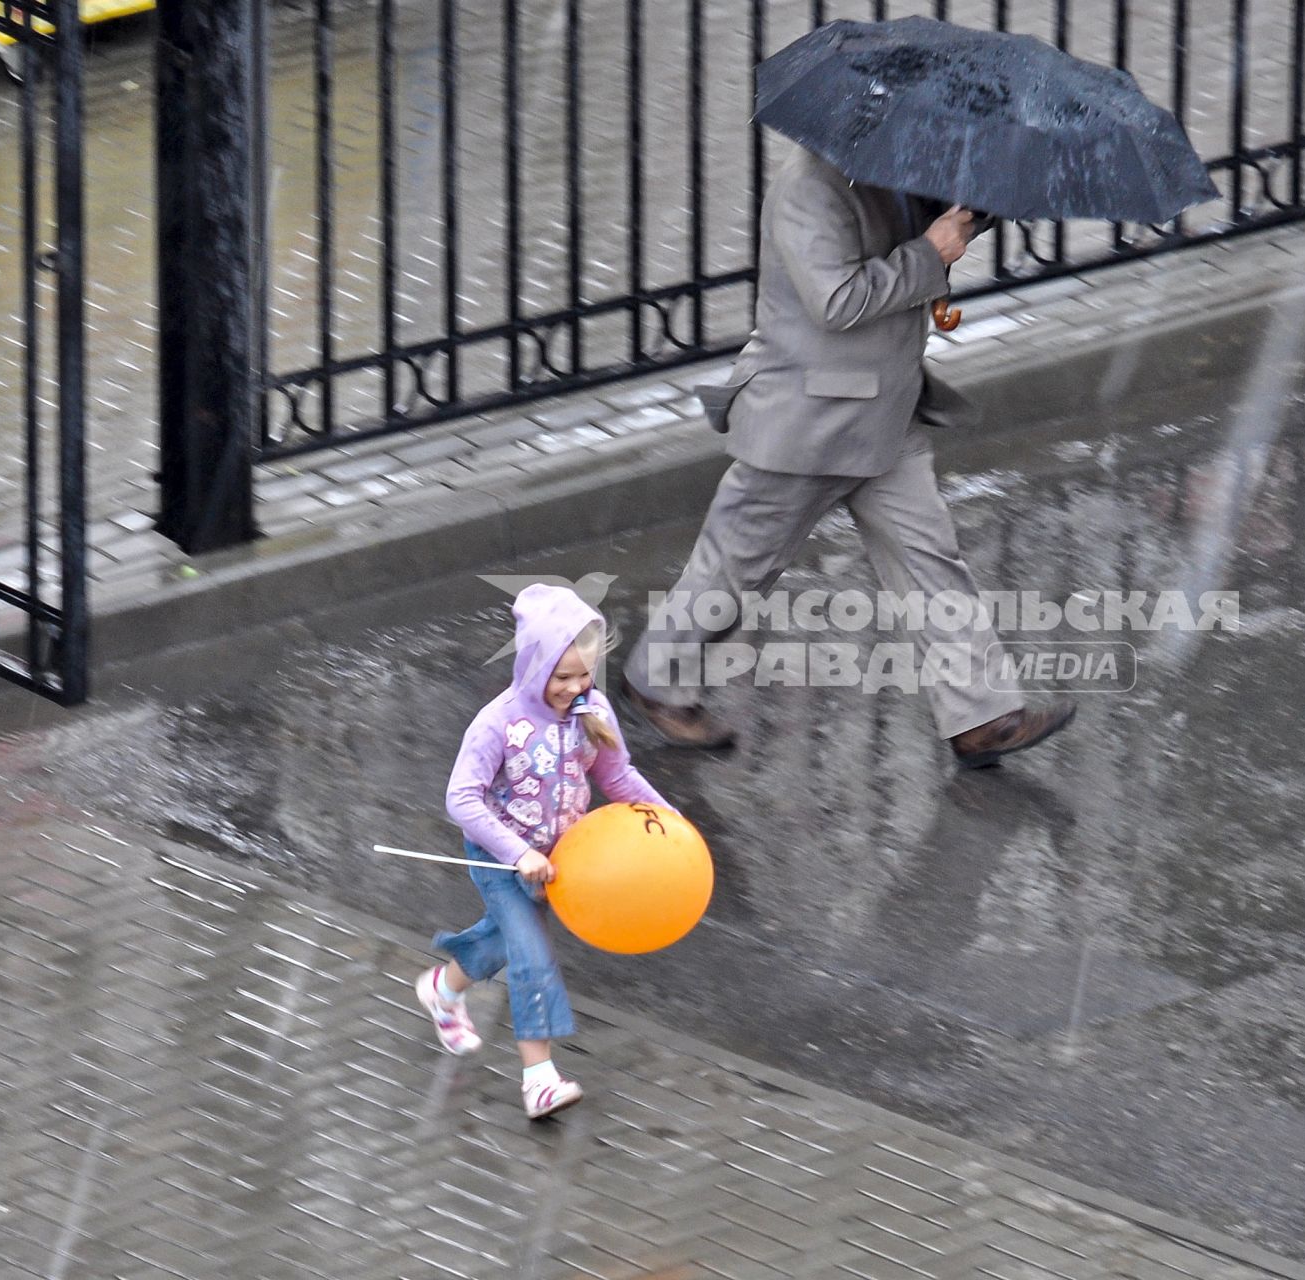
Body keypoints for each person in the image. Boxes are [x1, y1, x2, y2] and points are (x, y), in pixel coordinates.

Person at [619, 144, 1074, 768]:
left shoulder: (892, 169)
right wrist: (930, 253)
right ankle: (657, 682)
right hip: (809, 419)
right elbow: (837, 301)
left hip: (887, 412)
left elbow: (921, 231)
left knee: (930, 561)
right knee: (737, 566)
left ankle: (982, 715)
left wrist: (975, 211)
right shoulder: (811, 189)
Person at [416, 585, 670, 1119]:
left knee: (505, 944)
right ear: (533, 667)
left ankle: (444, 987)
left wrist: (666, 819)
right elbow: (460, 798)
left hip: (560, 859)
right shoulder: (498, 722)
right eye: (562, 677)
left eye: (585, 675)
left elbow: (616, 774)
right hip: (498, 856)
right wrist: (515, 853)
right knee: (532, 955)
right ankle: (540, 1079)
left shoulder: (591, 710)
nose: (575, 687)